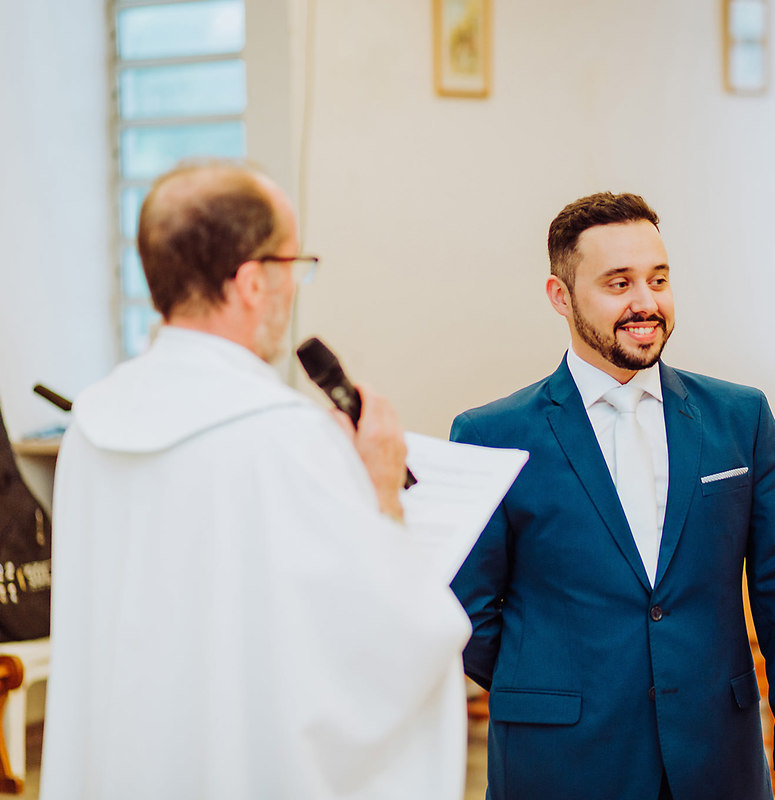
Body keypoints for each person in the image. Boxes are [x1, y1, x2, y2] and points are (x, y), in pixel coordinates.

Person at [39, 162, 471, 800]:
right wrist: (383, 489)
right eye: (293, 264)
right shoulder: (285, 439)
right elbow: (388, 643)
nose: (295, 285)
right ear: (250, 281)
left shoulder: (94, 424)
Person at [450, 192, 775, 800]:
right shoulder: (491, 435)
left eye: (659, 280)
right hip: (559, 763)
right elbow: (469, 609)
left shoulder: (741, 418)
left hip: (716, 760)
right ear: (560, 296)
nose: (646, 303)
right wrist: (552, 686)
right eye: (619, 283)